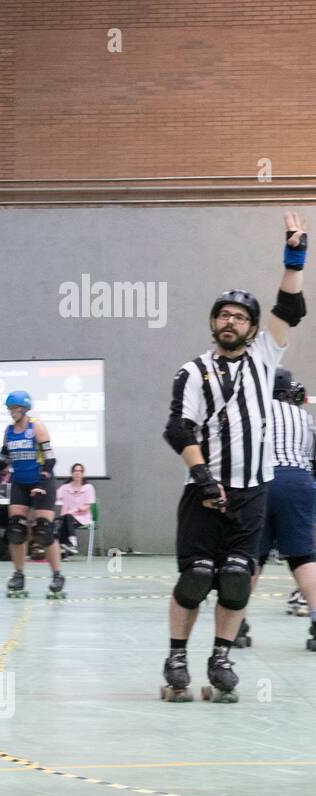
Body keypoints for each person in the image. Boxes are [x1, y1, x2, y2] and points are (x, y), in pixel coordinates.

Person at [160, 212, 306, 702]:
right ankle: (177, 655)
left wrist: (294, 255)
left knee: (238, 579)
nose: (231, 321)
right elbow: (179, 428)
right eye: (223, 314)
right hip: (205, 491)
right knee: (197, 576)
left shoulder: (266, 358)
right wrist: (201, 477)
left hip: (252, 489)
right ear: (213, 322)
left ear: (251, 328)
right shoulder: (193, 372)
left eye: (240, 317)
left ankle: (221, 657)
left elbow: (290, 306)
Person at [236, 368, 316, 650]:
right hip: (299, 481)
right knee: (303, 557)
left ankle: (236, 625)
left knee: (252, 557)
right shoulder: (304, 417)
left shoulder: (253, 410)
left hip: (260, 481)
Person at [0, 392, 65, 598]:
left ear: (25, 409)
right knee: (16, 529)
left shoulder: (36, 427)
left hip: (43, 482)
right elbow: (3, 458)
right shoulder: (9, 431)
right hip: (20, 484)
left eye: (16, 408)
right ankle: (18, 574)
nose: (12, 412)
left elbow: (50, 460)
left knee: (43, 530)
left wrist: (41, 483)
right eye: (10, 409)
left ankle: (57, 575)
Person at [55, 463, 97, 557]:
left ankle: (74, 544)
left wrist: (81, 509)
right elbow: (54, 496)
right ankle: (65, 550)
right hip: (67, 516)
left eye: (80, 471)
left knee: (67, 519)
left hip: (82, 517)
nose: (77, 473)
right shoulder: (65, 487)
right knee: (59, 522)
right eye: (75, 471)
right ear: (72, 473)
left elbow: (88, 506)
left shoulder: (88, 487)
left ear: (83, 474)